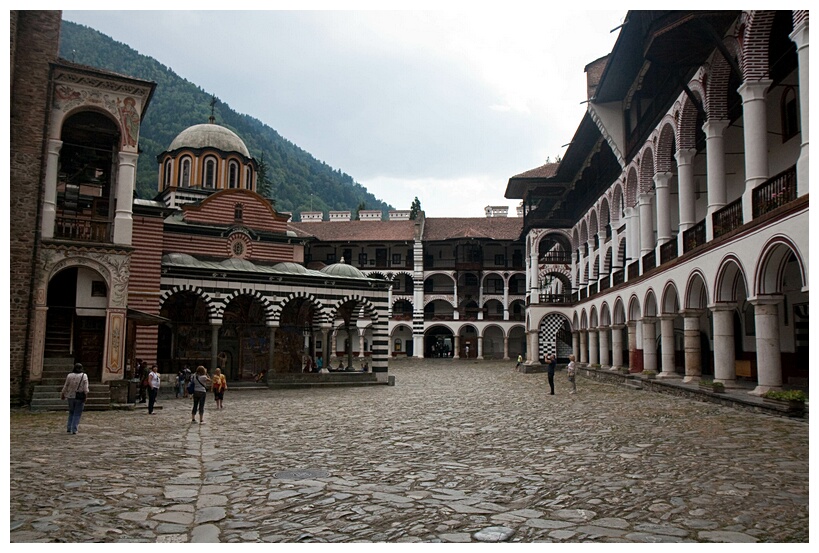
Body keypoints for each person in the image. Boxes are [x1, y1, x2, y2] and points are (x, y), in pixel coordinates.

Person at [61, 363, 89, 434]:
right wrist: (86, 396)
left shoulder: (69, 375)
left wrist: (63, 393)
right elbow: (85, 388)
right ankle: (74, 429)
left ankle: (69, 427)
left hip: (70, 396)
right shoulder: (84, 376)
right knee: (77, 413)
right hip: (79, 396)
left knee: (71, 412)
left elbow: (66, 385)